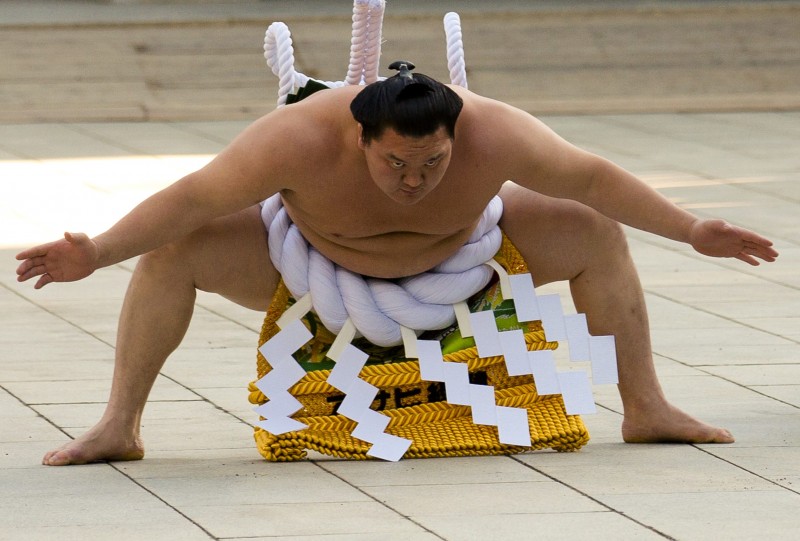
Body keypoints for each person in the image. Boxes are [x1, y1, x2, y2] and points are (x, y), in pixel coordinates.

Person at [16, 63, 778, 466]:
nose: (413, 181)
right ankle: (120, 424)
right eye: (395, 165)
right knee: (175, 247)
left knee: (592, 228)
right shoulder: (298, 138)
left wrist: (690, 227)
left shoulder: (496, 131)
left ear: (456, 133)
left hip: (467, 268)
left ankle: (645, 407)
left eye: (433, 163)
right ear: (358, 139)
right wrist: (97, 252)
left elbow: (592, 176)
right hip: (311, 272)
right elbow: (193, 196)